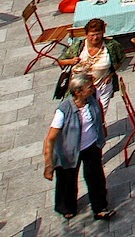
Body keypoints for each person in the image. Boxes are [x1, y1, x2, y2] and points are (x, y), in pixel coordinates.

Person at [44, 71, 114, 220]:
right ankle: (67, 207)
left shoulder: (93, 97)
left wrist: (102, 125)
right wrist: (48, 164)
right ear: (78, 92)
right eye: (89, 87)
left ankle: (100, 207)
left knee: (96, 177)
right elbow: (50, 138)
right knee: (67, 180)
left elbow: (99, 108)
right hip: (68, 151)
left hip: (91, 146)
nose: (93, 88)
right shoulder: (63, 110)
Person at [62, 18, 121, 110]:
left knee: (100, 115)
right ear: (86, 35)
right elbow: (60, 61)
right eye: (92, 35)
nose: (95, 38)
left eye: (98, 34)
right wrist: (70, 61)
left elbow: (121, 59)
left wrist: (111, 74)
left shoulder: (111, 46)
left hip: (101, 87)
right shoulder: (78, 46)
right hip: (80, 91)